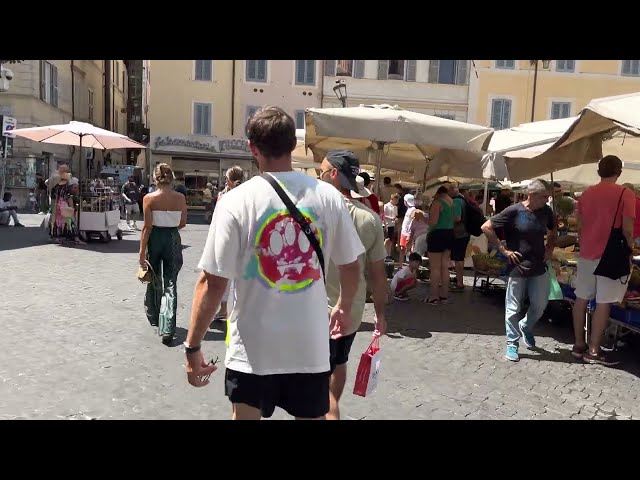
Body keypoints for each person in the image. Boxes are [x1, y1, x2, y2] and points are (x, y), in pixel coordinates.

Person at [183, 106, 363, 421]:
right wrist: (344, 305)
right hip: (308, 346)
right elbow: (351, 265)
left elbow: (212, 283)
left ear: (253, 148)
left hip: (253, 349)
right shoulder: (329, 197)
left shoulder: (235, 201)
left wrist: (193, 346)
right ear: (293, 145)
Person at [321, 150, 387, 421]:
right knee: (338, 362)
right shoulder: (369, 218)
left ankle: (330, 413)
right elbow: (378, 276)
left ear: (333, 174)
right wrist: (381, 315)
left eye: (321, 173)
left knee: (316, 382)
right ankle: (333, 405)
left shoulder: (314, 211)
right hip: (351, 309)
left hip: (316, 308)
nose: (318, 177)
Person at [481, 179, 556, 362]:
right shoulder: (514, 210)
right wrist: (503, 249)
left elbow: (553, 230)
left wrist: (550, 248)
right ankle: (512, 342)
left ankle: (526, 326)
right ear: (531, 195)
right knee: (513, 306)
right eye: (544, 196)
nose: (547, 200)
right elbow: (486, 227)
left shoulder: (546, 211)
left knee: (540, 304)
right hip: (517, 265)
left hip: (539, 265)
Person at [572, 156, 635, 365]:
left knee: (581, 299)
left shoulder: (586, 194)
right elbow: (627, 229)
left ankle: (579, 345)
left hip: (587, 253)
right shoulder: (626, 194)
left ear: (599, 170)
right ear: (618, 171)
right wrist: (631, 248)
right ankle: (594, 350)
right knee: (603, 302)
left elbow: (579, 227)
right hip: (611, 255)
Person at [138, 163, 188, 345]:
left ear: (155, 178)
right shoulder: (180, 198)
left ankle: (154, 314)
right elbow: (183, 222)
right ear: (172, 178)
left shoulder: (149, 198)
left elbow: (146, 227)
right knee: (170, 282)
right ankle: (167, 326)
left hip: (155, 237)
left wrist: (142, 252)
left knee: (155, 278)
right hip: (172, 238)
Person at [211, 166, 244, 323]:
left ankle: (224, 309)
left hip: (226, 238)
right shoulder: (246, 194)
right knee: (237, 277)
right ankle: (234, 310)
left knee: (224, 276)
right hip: (243, 240)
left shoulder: (224, 197)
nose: (225, 181)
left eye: (226, 178)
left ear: (230, 180)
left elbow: (218, 217)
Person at [425, 186, 457, 305]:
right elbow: (455, 218)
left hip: (437, 234)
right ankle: (444, 295)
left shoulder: (437, 202)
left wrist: (422, 218)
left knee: (435, 267)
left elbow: (433, 222)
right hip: (449, 233)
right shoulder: (451, 201)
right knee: (444, 266)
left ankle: (434, 296)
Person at [450, 185, 472, 292]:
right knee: (458, 258)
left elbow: (457, 218)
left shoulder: (457, 201)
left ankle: (459, 283)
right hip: (464, 232)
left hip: (459, 233)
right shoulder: (463, 200)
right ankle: (459, 279)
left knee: (458, 258)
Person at [49, 168, 80, 243]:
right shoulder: (66, 187)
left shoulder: (56, 187)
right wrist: (71, 207)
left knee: (58, 221)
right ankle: (73, 237)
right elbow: (68, 197)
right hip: (64, 205)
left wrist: (55, 207)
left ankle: (57, 237)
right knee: (69, 220)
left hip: (58, 205)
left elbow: (55, 197)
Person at [398, 193, 416, 263]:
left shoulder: (413, 209)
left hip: (408, 233)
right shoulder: (408, 209)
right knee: (402, 249)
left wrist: (410, 235)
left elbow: (412, 222)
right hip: (404, 232)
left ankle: (410, 266)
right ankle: (400, 265)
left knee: (409, 250)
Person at [383, 193, 400, 258]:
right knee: (386, 240)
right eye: (396, 200)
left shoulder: (395, 207)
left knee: (390, 240)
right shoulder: (386, 206)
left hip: (392, 225)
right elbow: (383, 215)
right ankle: (384, 253)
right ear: (392, 199)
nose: (397, 202)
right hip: (387, 224)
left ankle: (388, 254)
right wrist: (390, 218)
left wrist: (396, 219)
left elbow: (395, 215)